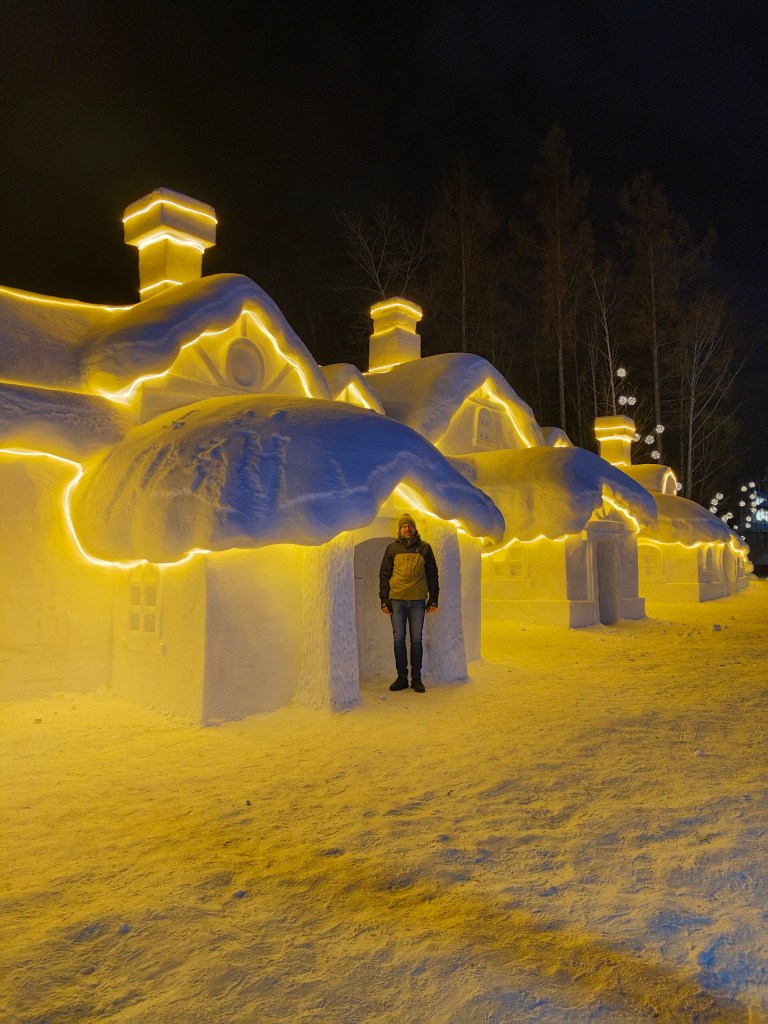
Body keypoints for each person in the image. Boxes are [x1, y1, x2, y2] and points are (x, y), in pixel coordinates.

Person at [379, 512, 439, 693]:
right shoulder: (392, 549)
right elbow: (384, 575)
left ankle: (417, 679)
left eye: (410, 526)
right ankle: (402, 678)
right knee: (398, 639)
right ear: (399, 530)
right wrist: (384, 600)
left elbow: (432, 574)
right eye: (404, 526)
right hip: (396, 600)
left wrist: (433, 598)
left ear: (415, 528)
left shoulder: (425, 548)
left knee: (416, 640)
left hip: (417, 601)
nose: (407, 529)